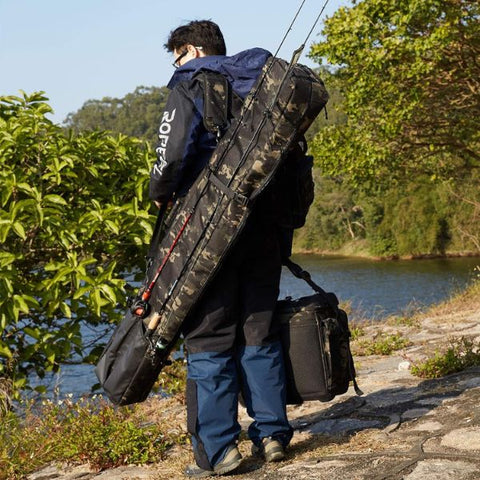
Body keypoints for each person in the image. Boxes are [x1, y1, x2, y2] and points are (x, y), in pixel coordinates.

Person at [149, 20, 293, 477]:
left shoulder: (190, 82)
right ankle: (272, 435)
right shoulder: (263, 80)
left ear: (190, 50)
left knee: (209, 337)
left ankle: (220, 452)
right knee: (258, 329)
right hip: (266, 225)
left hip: (209, 232)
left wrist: (160, 192)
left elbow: (169, 155)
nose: (174, 64)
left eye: (176, 55)